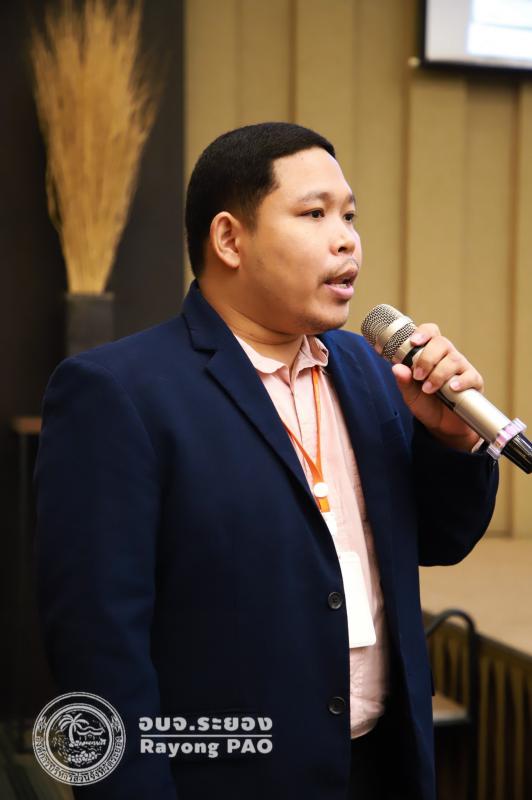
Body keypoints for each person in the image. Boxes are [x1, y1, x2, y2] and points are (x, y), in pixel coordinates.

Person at [34, 122, 498, 800]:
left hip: (385, 766)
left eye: (349, 216)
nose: (346, 239)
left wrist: (453, 442)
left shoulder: (373, 370)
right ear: (229, 239)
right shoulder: (118, 392)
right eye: (314, 214)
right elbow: (98, 648)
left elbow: (440, 541)